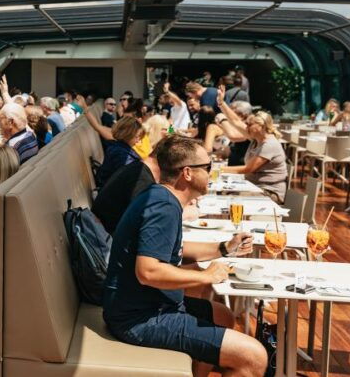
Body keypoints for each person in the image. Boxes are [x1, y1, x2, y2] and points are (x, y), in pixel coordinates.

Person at [103, 136, 266, 377]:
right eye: (208, 168)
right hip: (140, 318)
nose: (212, 173)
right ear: (187, 173)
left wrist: (224, 247)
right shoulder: (163, 206)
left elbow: (174, 248)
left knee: (223, 315)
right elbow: (148, 271)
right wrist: (206, 277)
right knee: (253, 356)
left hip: (149, 306)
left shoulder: (160, 197)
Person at [221, 108, 287, 201]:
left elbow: (248, 169)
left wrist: (218, 169)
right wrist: (221, 103)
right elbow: (236, 121)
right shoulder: (256, 140)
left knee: (230, 198)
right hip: (253, 186)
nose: (246, 127)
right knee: (224, 192)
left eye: (249, 125)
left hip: (270, 191)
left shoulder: (269, 144)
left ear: (262, 126)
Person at [96, 116, 144, 187]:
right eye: (136, 137)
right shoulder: (122, 155)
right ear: (128, 134)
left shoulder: (117, 147)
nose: (138, 140)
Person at [216, 100, 252, 166]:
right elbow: (227, 152)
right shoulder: (235, 129)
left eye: (230, 114)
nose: (227, 116)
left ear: (243, 115)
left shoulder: (249, 127)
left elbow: (233, 136)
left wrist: (223, 120)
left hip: (243, 171)